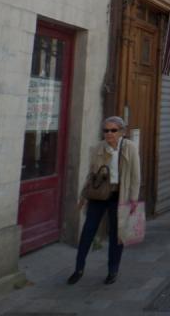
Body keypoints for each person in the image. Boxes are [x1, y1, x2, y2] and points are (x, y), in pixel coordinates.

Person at [67, 116, 141, 286]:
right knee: (88, 231)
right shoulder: (99, 148)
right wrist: (83, 196)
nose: (109, 133)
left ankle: (112, 270)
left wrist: (133, 199)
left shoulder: (130, 147)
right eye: (106, 130)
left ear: (121, 132)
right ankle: (78, 269)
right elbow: (91, 174)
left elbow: (136, 175)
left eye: (113, 130)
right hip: (99, 195)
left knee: (117, 235)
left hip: (119, 195)